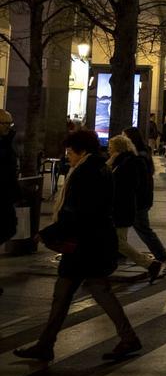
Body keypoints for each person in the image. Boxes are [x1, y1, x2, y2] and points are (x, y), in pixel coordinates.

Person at [17, 130, 141, 362]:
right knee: (77, 293)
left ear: (81, 151)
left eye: (70, 152)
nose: (68, 157)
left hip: (85, 245)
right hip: (93, 243)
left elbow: (77, 213)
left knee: (76, 293)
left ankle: (47, 345)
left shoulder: (86, 173)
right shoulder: (101, 168)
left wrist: (47, 233)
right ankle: (46, 344)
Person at [107, 135, 164, 281]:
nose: (108, 150)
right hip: (118, 207)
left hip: (122, 208)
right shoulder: (120, 162)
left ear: (118, 148)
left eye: (111, 147)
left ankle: (151, 264)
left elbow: (126, 186)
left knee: (118, 242)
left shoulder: (130, 162)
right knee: (117, 241)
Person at [121, 126, 166, 273]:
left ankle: (163, 258)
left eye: (124, 136)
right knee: (131, 229)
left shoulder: (139, 157)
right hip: (140, 200)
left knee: (143, 230)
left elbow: (137, 182)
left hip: (139, 201)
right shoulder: (140, 155)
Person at [0, 110, 17, 275]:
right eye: (5, 123)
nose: (9, 127)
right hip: (3, 196)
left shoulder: (7, 142)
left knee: (9, 228)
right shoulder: (5, 144)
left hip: (6, 196)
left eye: (10, 123)